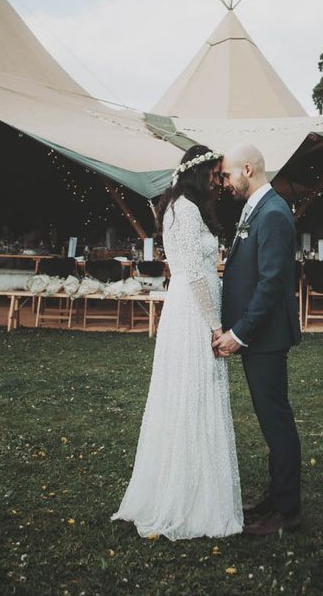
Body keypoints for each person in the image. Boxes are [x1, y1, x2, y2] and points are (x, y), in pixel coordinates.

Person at [111, 145, 243, 540]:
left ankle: (198, 484)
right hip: (192, 313)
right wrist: (215, 324)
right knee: (191, 394)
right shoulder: (183, 209)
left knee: (197, 395)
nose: (218, 182)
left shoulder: (184, 206)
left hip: (192, 309)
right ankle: (185, 496)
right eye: (214, 175)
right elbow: (194, 274)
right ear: (197, 173)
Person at [213, 144, 303, 536]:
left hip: (265, 338)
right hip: (258, 338)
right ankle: (276, 497)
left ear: (247, 169)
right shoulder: (259, 209)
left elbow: (271, 284)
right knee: (272, 422)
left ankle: (287, 513)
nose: (225, 183)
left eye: (228, 175)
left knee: (276, 422)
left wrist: (239, 333)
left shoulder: (274, 215)